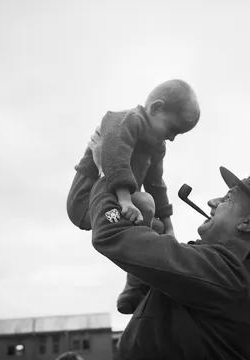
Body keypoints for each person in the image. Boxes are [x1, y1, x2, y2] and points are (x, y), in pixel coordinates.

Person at [87, 157, 250, 359]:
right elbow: (142, 304)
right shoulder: (227, 274)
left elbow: (112, 235)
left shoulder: (225, 273)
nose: (212, 201)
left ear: (247, 223)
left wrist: (108, 176)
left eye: (228, 199)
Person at [67, 79, 200, 314]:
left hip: (119, 198)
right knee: (145, 203)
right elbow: (113, 157)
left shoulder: (157, 146)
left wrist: (169, 226)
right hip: (86, 199)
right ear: (156, 108)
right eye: (172, 129)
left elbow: (156, 184)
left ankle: (136, 284)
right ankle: (138, 279)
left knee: (158, 229)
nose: (171, 138)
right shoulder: (125, 120)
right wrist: (125, 199)